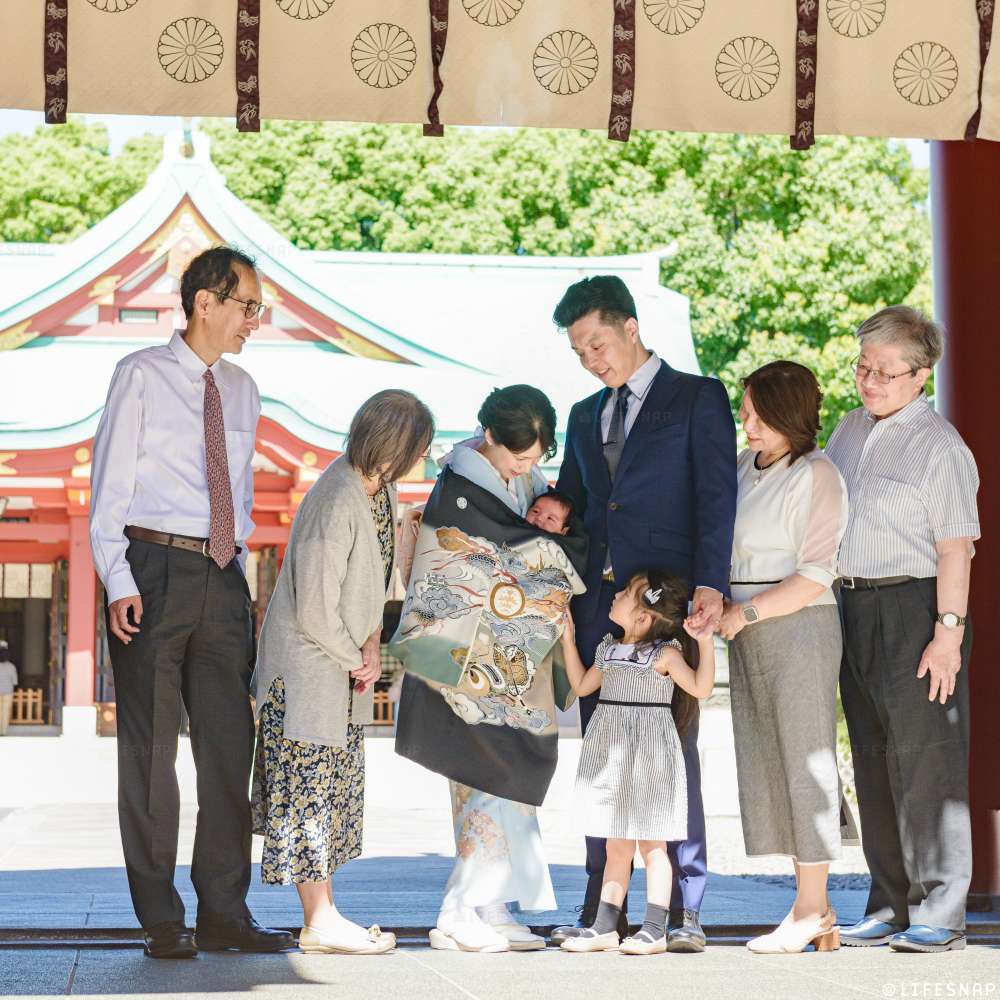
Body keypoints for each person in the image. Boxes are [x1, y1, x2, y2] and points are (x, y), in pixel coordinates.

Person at [89, 246, 292, 959]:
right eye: (248, 307)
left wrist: (236, 565)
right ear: (206, 301)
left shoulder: (243, 388)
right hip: (150, 567)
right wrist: (118, 578)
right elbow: (109, 482)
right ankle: (162, 920)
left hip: (220, 575)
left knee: (227, 749)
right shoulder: (139, 374)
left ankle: (225, 914)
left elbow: (232, 488)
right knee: (150, 758)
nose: (253, 322)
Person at [553, 275, 737, 951]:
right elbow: (572, 509)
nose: (590, 359)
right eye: (578, 351)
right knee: (603, 756)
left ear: (630, 327)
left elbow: (717, 498)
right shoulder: (581, 414)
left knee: (672, 753)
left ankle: (684, 908)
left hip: (667, 607)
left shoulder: (696, 397)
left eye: (597, 343)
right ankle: (603, 906)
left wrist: (710, 586)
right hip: (601, 606)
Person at [251, 390, 434, 956]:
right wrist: (359, 656)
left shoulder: (382, 489)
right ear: (395, 446)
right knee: (309, 789)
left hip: (342, 663)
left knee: (331, 789)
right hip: (307, 668)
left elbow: (375, 583)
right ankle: (319, 919)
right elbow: (313, 609)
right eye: (419, 448)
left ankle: (325, 915)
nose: (423, 458)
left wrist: (374, 642)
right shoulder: (336, 496)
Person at [394, 385, 574, 954]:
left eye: (535, 459)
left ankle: (492, 904)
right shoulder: (461, 485)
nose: (528, 469)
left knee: (512, 780)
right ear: (490, 436)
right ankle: (460, 908)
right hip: (469, 653)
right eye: (519, 457)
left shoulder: (514, 481)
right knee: (479, 775)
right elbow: (454, 565)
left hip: (511, 654)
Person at [826, 307, 979, 954]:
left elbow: (956, 549)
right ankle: (890, 901)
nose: (870, 380)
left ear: (921, 376)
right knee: (873, 760)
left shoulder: (941, 446)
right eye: (863, 366)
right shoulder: (848, 430)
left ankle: (941, 910)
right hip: (850, 608)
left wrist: (948, 634)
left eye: (885, 371)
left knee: (926, 765)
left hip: (918, 611)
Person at [717, 361, 849, 954]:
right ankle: (807, 907)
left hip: (798, 626)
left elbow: (817, 572)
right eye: (744, 411)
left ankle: (813, 909)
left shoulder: (818, 473)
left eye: (755, 412)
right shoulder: (746, 466)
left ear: (786, 412)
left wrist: (743, 614)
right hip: (747, 627)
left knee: (805, 758)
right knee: (769, 758)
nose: (745, 422)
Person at [559, 571, 716, 955]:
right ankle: (605, 926)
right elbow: (581, 686)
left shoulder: (664, 655)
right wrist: (567, 638)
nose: (615, 596)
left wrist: (706, 645)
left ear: (643, 617)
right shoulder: (607, 649)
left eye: (626, 594)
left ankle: (653, 928)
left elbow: (700, 688)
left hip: (651, 754)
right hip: (611, 753)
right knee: (616, 844)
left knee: (653, 846)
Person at [0, 641, 17, 736]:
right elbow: (15, 682)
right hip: (7, 692)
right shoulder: (11, 666)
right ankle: (3, 732)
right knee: (5, 712)